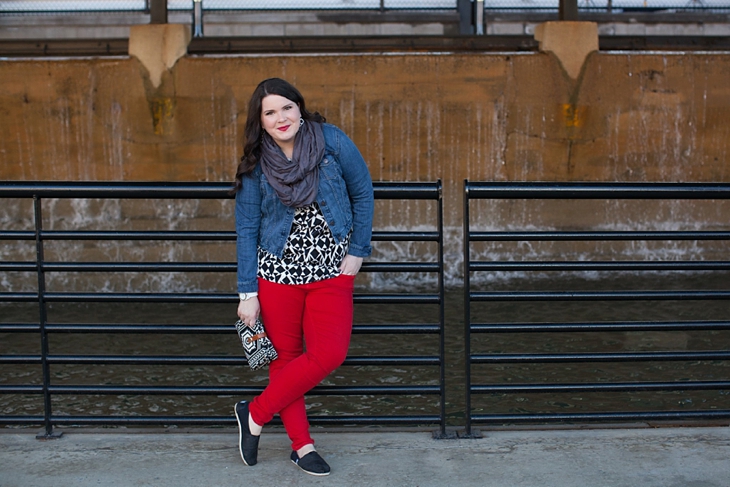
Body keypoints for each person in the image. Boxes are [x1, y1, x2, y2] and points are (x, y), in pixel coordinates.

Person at [232, 78, 374, 476]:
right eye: (270, 112)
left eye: (286, 107)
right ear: (260, 122)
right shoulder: (257, 161)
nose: (281, 118)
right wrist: (247, 292)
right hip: (276, 274)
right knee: (286, 361)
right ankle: (301, 445)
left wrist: (357, 251)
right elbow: (247, 227)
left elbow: (363, 193)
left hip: (332, 271)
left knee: (330, 353)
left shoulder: (331, 141)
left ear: (299, 107)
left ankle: (254, 413)